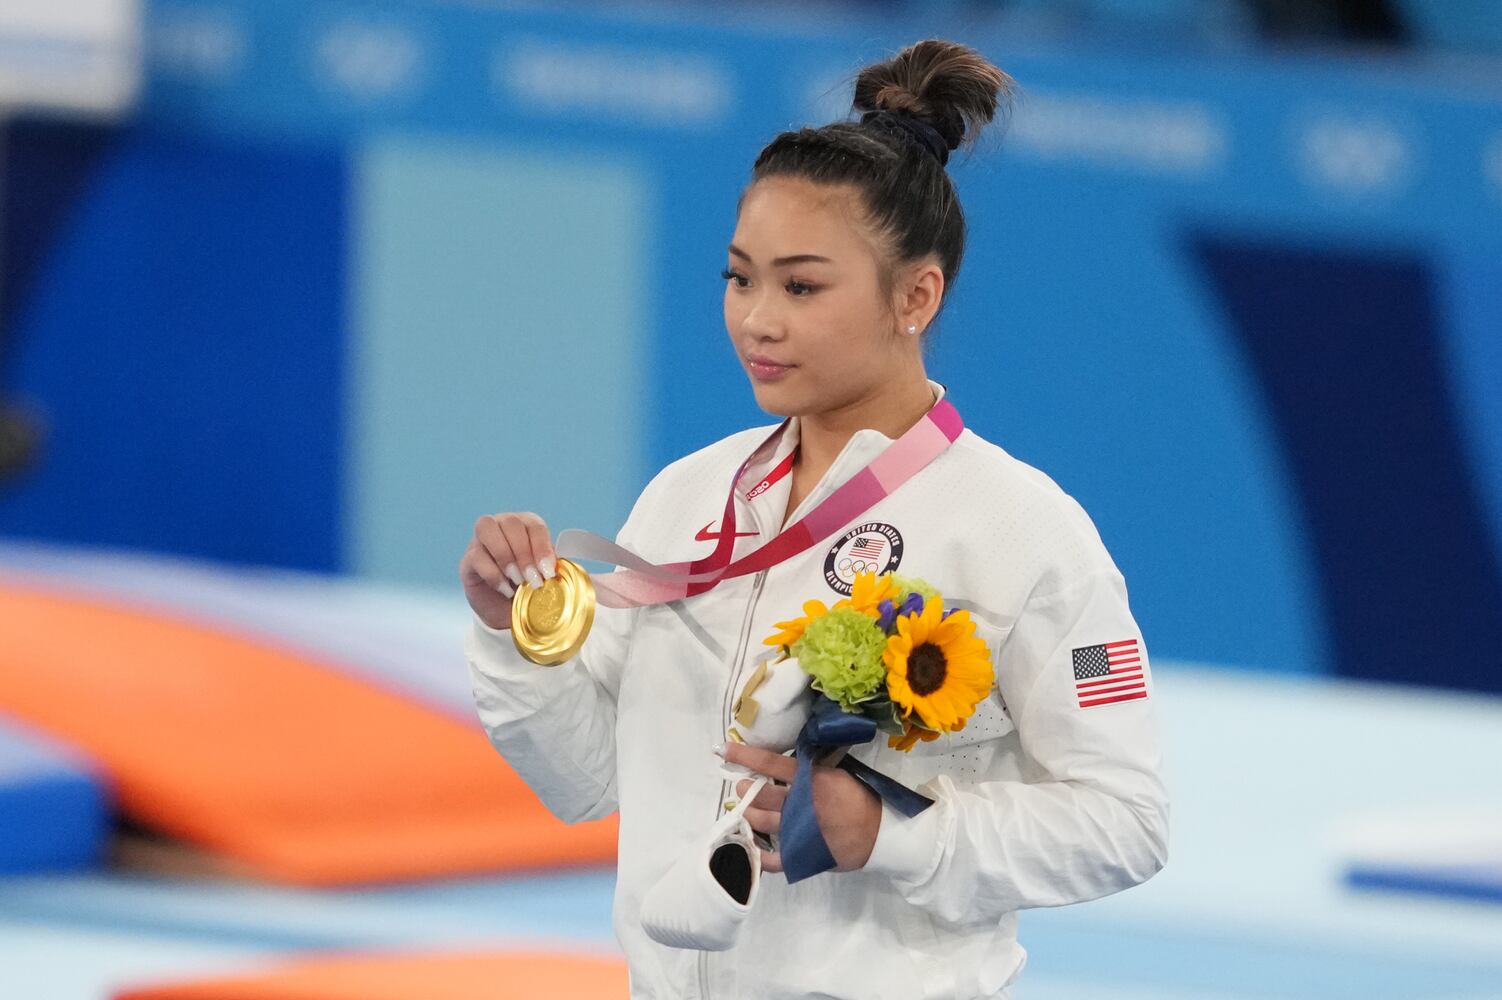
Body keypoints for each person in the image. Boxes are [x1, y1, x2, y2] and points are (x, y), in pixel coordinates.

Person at [460, 38, 1168, 1000]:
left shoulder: (1023, 533)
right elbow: (587, 781)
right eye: (740, 277)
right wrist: (513, 640)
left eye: (801, 286)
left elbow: (1125, 821)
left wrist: (891, 831)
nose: (757, 319)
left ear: (915, 296)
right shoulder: (688, 497)